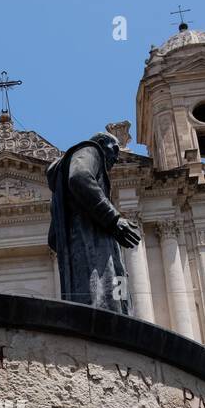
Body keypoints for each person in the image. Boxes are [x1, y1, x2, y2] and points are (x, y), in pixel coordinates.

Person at [47, 132, 142, 312]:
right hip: (96, 252)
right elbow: (79, 176)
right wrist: (113, 218)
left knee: (101, 305)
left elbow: (53, 238)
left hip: (77, 265)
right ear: (100, 143)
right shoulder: (90, 150)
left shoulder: (59, 188)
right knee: (107, 306)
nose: (115, 158)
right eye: (114, 150)